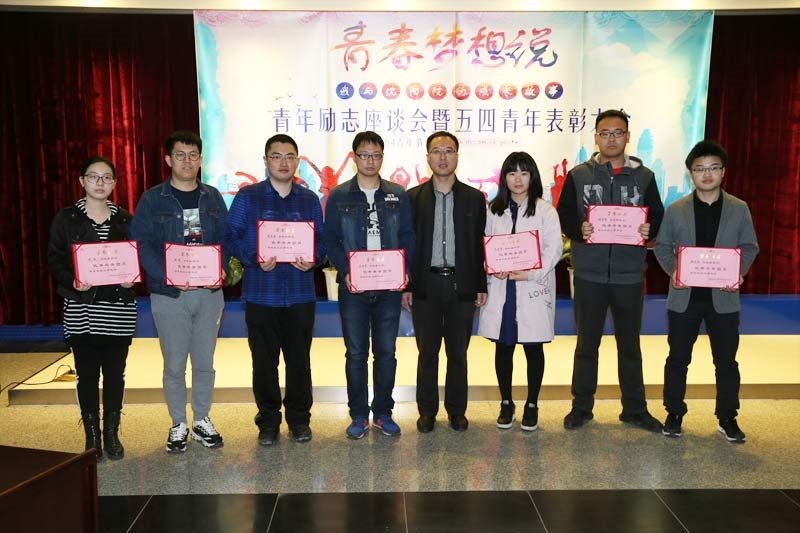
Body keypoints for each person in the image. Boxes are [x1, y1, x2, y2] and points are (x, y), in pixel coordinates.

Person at [557, 109, 664, 432]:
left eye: (618, 133)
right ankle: (581, 407)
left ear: (628, 137)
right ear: (596, 138)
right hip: (588, 273)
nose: (611, 139)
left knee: (629, 345)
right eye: (605, 133)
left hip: (629, 274)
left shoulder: (644, 177)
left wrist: (649, 229)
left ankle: (634, 408)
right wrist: (579, 230)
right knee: (586, 345)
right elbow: (564, 214)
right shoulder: (579, 175)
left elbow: (657, 215)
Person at [654, 140, 759, 443]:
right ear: (691, 174)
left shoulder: (739, 209)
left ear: (723, 172)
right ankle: (674, 412)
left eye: (713, 168)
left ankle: (727, 417)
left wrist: (737, 271)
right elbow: (662, 247)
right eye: (700, 169)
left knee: (726, 361)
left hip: (723, 299)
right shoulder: (676, 210)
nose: (707, 174)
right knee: (678, 358)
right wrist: (673, 271)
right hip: (684, 298)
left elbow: (750, 246)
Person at [131, 130, 228, 453]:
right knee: (174, 363)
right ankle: (178, 423)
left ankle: (201, 419)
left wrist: (223, 267)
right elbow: (142, 245)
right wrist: (167, 275)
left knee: (204, 362)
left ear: (201, 160)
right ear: (168, 159)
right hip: (169, 294)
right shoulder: (152, 199)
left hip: (208, 293)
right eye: (180, 155)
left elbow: (226, 239)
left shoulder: (213, 197)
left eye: (193, 155)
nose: (187, 161)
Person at [224, 134, 324, 446]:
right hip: (260, 293)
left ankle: (299, 420)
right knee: (263, 363)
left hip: (300, 294)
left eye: (290, 156)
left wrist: (314, 258)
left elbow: (321, 239)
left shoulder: (308, 199)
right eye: (277, 156)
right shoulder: (248, 197)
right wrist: (252, 257)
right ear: (266, 160)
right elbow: (229, 236)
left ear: (298, 162)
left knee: (299, 362)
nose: (283, 162)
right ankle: (267, 421)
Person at [324, 131, 415, 439]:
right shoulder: (339, 195)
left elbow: (408, 236)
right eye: (364, 155)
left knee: (386, 352)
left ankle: (384, 413)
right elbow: (331, 239)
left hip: (389, 288)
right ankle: (359, 415)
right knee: (356, 354)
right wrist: (345, 270)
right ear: (354, 158)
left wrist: (405, 271)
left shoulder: (397, 194)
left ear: (382, 158)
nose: (370, 161)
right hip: (354, 288)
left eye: (376, 155)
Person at [47, 156, 137, 460]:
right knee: (86, 375)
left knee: (115, 375)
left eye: (107, 177)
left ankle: (111, 433)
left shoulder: (125, 219)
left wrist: (131, 278)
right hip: (81, 308)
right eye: (93, 176)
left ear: (115, 183)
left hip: (118, 310)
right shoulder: (67, 218)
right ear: (82, 181)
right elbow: (55, 259)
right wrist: (73, 281)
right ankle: (92, 436)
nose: (100, 182)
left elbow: (135, 258)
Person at [402, 131, 487, 433]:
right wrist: (407, 285)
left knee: (458, 353)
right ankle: (427, 411)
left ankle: (456, 410)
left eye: (448, 150)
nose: (442, 157)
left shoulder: (474, 198)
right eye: (436, 151)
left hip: (461, 285)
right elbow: (407, 245)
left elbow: (479, 244)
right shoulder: (412, 198)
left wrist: (481, 285)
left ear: (457, 156)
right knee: (427, 353)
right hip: (425, 285)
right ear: (427, 157)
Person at [477, 152, 562, 431]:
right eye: (512, 173)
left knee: (533, 348)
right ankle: (506, 402)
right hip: (503, 289)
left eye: (524, 173)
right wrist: (492, 267)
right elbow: (484, 245)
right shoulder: (494, 210)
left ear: (532, 177)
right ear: (504, 178)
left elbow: (553, 249)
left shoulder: (546, 211)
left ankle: (532, 404)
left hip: (531, 287)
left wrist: (530, 273)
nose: (518, 179)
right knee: (503, 347)